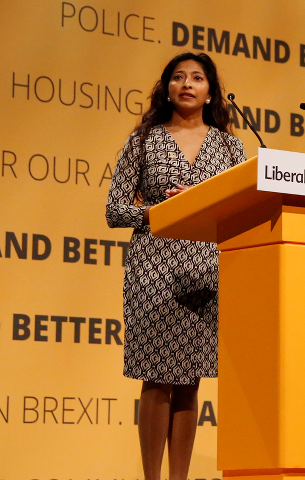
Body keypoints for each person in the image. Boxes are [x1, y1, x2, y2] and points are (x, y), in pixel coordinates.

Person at [105, 52, 245, 480]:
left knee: (189, 381)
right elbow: (114, 210)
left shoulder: (230, 147)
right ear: (166, 89)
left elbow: (239, 209)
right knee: (157, 378)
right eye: (179, 77)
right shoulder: (143, 141)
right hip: (154, 267)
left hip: (204, 270)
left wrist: (204, 203)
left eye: (197, 78)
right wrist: (162, 211)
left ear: (210, 92)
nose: (187, 84)